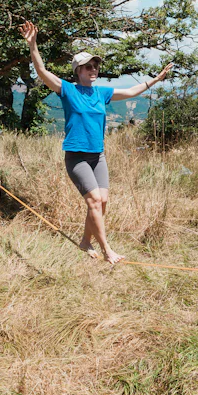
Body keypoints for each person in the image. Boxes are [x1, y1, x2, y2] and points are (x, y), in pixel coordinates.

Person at [19, 20, 172, 264]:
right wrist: (33, 45)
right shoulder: (68, 90)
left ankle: (85, 241)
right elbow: (42, 72)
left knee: (103, 201)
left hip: (97, 155)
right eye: (87, 66)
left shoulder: (102, 93)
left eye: (95, 65)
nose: (93, 69)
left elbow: (132, 92)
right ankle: (106, 249)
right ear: (77, 71)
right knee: (94, 201)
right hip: (77, 156)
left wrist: (156, 79)